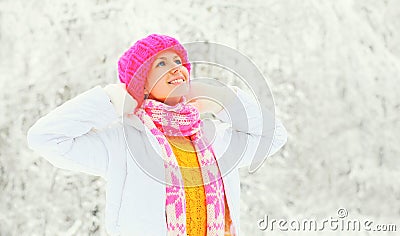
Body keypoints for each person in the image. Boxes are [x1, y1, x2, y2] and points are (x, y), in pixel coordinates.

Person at [27, 34, 288, 235]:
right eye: (161, 63)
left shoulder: (213, 137)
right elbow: (45, 138)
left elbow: (274, 136)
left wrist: (224, 102)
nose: (176, 68)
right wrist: (110, 100)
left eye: (178, 61)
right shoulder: (123, 141)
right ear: (141, 83)